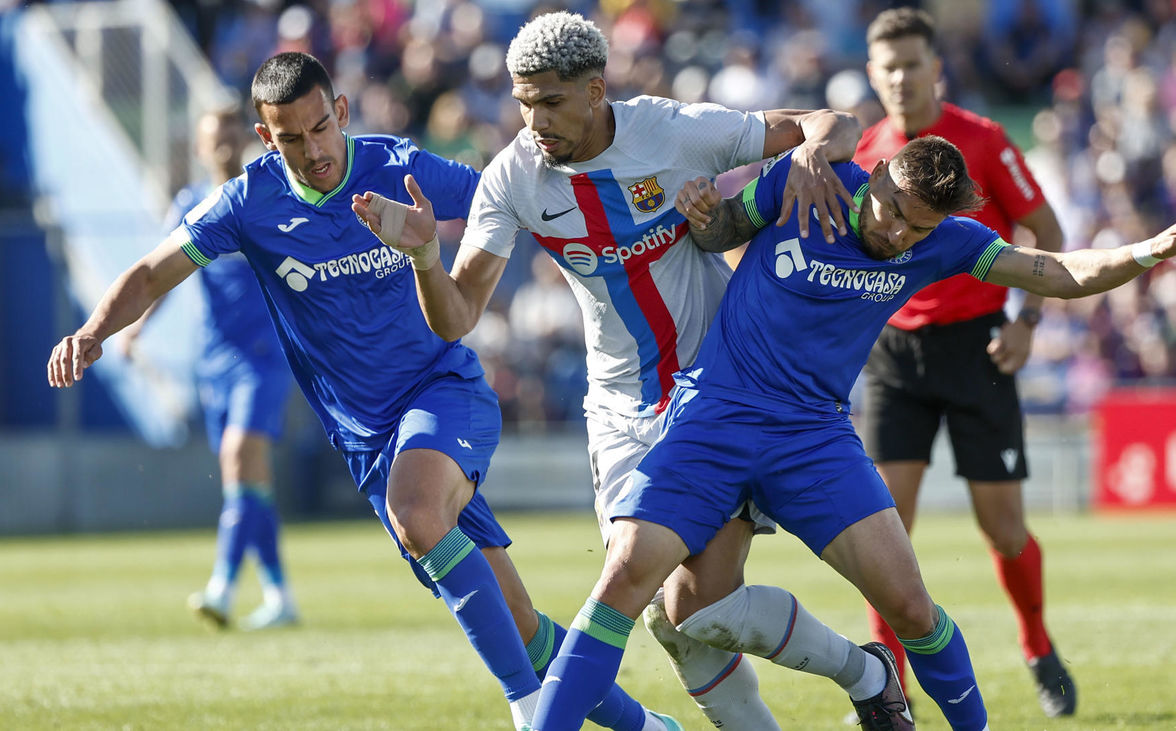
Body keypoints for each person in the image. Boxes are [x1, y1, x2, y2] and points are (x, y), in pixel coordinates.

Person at [47, 51, 676, 731]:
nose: (313, 150)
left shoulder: (397, 168)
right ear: (266, 138)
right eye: (291, 138)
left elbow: (509, 195)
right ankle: (648, 727)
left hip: (443, 392)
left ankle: (530, 713)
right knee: (516, 620)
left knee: (417, 510)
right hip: (367, 438)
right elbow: (151, 270)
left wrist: (614, 236)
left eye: (321, 128)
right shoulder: (249, 202)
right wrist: (94, 330)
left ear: (340, 112)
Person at [518, 135, 1176, 731]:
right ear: (878, 173)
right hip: (715, 418)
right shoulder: (801, 183)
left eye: (916, 229)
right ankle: (859, 673)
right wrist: (707, 214)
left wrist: (1150, 250)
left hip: (812, 438)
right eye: (892, 214)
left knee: (913, 607)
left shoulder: (944, 241)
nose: (897, 235)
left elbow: (1057, 271)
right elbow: (720, 232)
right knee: (633, 587)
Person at [353, 11, 910, 729]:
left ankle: (865, 670)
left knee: (694, 607)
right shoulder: (513, 178)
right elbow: (457, 317)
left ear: (594, 90)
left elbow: (833, 122)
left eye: (550, 101)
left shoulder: (673, 131)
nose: (534, 120)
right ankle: (865, 672)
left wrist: (808, 154)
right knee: (668, 620)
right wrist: (427, 256)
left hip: (714, 397)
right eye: (523, 102)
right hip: (618, 408)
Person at [856, 7, 1077, 717]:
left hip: (978, 347)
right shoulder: (864, 152)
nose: (899, 77)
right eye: (887, 66)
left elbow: (1047, 230)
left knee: (1004, 529)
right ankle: (891, 689)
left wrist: (1028, 320)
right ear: (872, 74)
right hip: (895, 356)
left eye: (912, 64)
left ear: (935, 70)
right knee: (881, 533)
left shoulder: (981, 140)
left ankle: (1037, 642)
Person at [117, 107, 299, 631]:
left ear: (244, 138)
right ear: (199, 147)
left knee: (241, 457)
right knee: (247, 481)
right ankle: (280, 595)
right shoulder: (192, 204)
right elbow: (163, 273)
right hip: (215, 359)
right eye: (213, 138)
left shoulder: (262, 195)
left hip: (264, 357)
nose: (222, 146)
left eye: (229, 135)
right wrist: (136, 328)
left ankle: (222, 587)